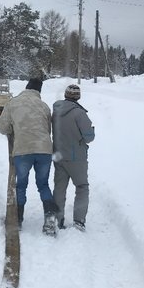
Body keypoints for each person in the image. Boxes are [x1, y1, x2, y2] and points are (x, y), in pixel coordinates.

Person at [0, 78, 59, 236]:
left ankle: (17, 220)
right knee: (43, 185)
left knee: (21, 185)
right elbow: (48, 130)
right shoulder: (44, 106)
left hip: (23, 150)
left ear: (26, 88)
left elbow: (1, 127)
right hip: (44, 149)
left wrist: (14, 127)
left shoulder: (13, 103)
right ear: (39, 91)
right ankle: (50, 218)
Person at [52, 84, 95, 231]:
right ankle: (79, 221)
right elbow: (89, 137)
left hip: (58, 155)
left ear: (65, 95)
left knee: (59, 188)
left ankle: (57, 219)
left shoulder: (56, 110)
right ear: (78, 97)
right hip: (77, 158)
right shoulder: (79, 114)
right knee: (82, 187)